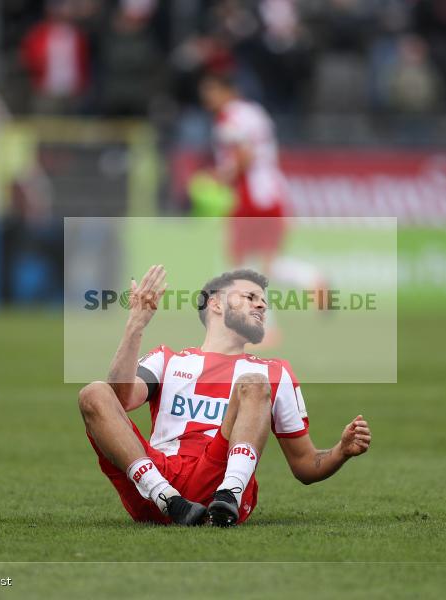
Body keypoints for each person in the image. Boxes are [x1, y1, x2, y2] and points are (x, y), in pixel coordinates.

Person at [77, 265, 372, 526]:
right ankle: (166, 497)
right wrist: (135, 326)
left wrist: (340, 451)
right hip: (154, 478)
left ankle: (229, 493)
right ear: (216, 303)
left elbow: (305, 464)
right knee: (94, 393)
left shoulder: (275, 372)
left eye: (264, 302)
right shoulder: (167, 360)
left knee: (254, 384)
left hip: (217, 483)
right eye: (250, 297)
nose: (261, 306)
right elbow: (119, 400)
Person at [198, 72, 328, 329]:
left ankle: (264, 327)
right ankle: (311, 279)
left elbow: (244, 157)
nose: (207, 98)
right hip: (273, 190)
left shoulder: (229, 117)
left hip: (252, 196)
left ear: (227, 91)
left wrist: (218, 177)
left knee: (239, 263)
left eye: (211, 91)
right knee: (266, 263)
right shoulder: (255, 111)